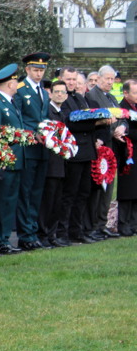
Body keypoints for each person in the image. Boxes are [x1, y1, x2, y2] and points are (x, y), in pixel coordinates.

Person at [85, 65, 127, 240]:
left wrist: (123, 127)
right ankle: (94, 225)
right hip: (100, 148)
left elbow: (122, 116)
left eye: (112, 79)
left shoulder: (111, 97)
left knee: (108, 187)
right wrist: (111, 131)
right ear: (99, 78)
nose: (110, 82)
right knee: (98, 187)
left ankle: (102, 224)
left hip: (112, 149)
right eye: (107, 79)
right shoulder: (91, 96)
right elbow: (96, 122)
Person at [14, 52, 51, 250]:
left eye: (42, 70)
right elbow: (19, 119)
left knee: (37, 193)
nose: (39, 73)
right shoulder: (21, 89)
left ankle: (32, 231)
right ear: (27, 69)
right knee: (26, 193)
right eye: (35, 70)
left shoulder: (44, 91)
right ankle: (25, 234)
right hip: (28, 147)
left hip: (43, 148)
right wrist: (30, 134)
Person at [0, 63, 26, 255]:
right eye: (15, 82)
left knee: (10, 201)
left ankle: (4, 237)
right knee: (1, 201)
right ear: (10, 84)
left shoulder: (11, 102)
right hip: (5, 160)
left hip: (16, 160)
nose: (17, 86)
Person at [57, 66, 97, 245]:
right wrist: (96, 123)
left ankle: (77, 230)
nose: (71, 83)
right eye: (68, 79)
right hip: (73, 152)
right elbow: (70, 124)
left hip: (86, 151)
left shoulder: (80, 97)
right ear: (61, 79)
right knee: (69, 194)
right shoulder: (63, 99)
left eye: (74, 79)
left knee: (83, 193)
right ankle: (63, 231)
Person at [36, 80, 69, 247]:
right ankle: (43, 234)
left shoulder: (62, 113)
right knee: (47, 201)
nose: (60, 94)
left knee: (56, 201)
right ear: (50, 93)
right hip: (50, 164)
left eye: (63, 92)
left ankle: (51, 234)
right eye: (56, 91)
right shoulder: (48, 111)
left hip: (60, 164)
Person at [115, 78, 137, 236]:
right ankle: (124, 224)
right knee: (127, 191)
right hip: (127, 155)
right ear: (126, 93)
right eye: (135, 92)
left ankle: (134, 223)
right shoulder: (121, 108)